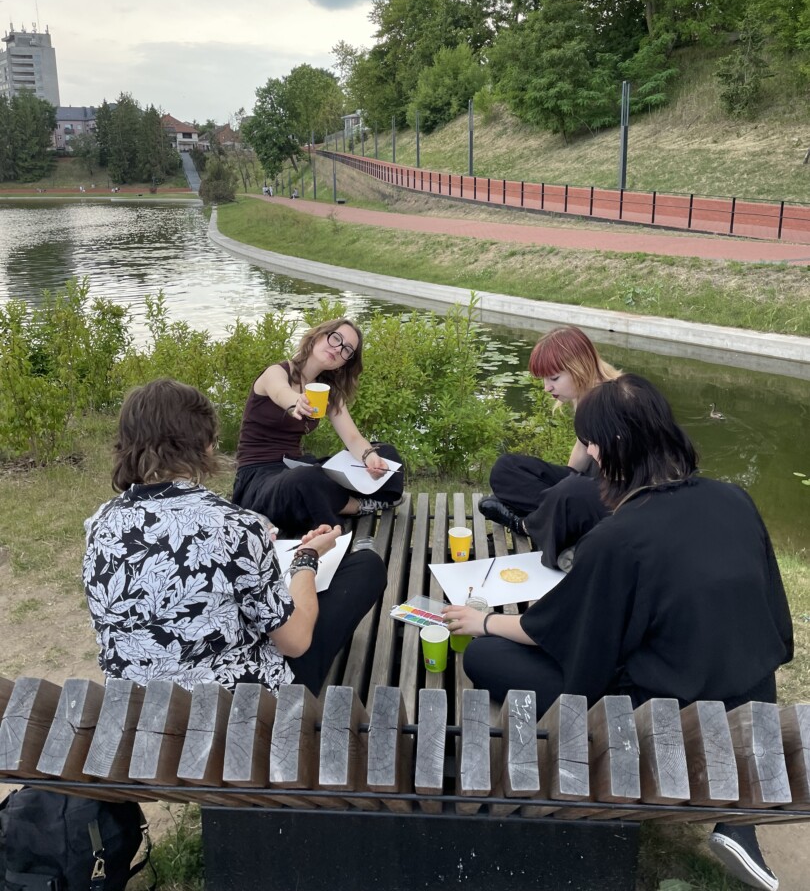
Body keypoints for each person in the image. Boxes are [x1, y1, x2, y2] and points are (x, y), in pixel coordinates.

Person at [446, 374, 793, 891]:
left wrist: (486, 622)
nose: (588, 451)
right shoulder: (734, 499)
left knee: (484, 657)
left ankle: (725, 808)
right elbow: (766, 616)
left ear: (613, 445)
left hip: (661, 709)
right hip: (742, 685)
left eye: (590, 441)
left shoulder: (620, 535)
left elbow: (564, 634)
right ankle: (740, 824)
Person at [83, 379, 387, 696]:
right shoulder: (235, 526)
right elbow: (295, 643)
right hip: (236, 707)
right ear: (206, 443)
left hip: (133, 704)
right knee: (366, 567)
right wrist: (306, 559)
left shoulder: (99, 524)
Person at [232, 317, 404, 537]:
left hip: (294, 466)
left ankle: (330, 500)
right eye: (336, 338)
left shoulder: (327, 391)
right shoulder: (277, 372)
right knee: (306, 479)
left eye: (347, 350)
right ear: (318, 336)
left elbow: (352, 438)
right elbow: (280, 392)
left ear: (345, 362)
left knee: (386, 454)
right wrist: (296, 401)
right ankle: (357, 506)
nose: (338, 349)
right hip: (258, 478)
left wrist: (370, 457)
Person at [478, 325, 620, 569]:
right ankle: (556, 519)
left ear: (580, 367)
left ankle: (526, 525)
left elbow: (625, 481)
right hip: (586, 488)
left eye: (554, 378)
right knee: (505, 468)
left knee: (571, 492)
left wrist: (566, 491)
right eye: (545, 379)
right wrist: (562, 483)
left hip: (614, 499)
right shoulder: (583, 393)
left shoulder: (613, 401)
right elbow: (582, 447)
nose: (547, 387)